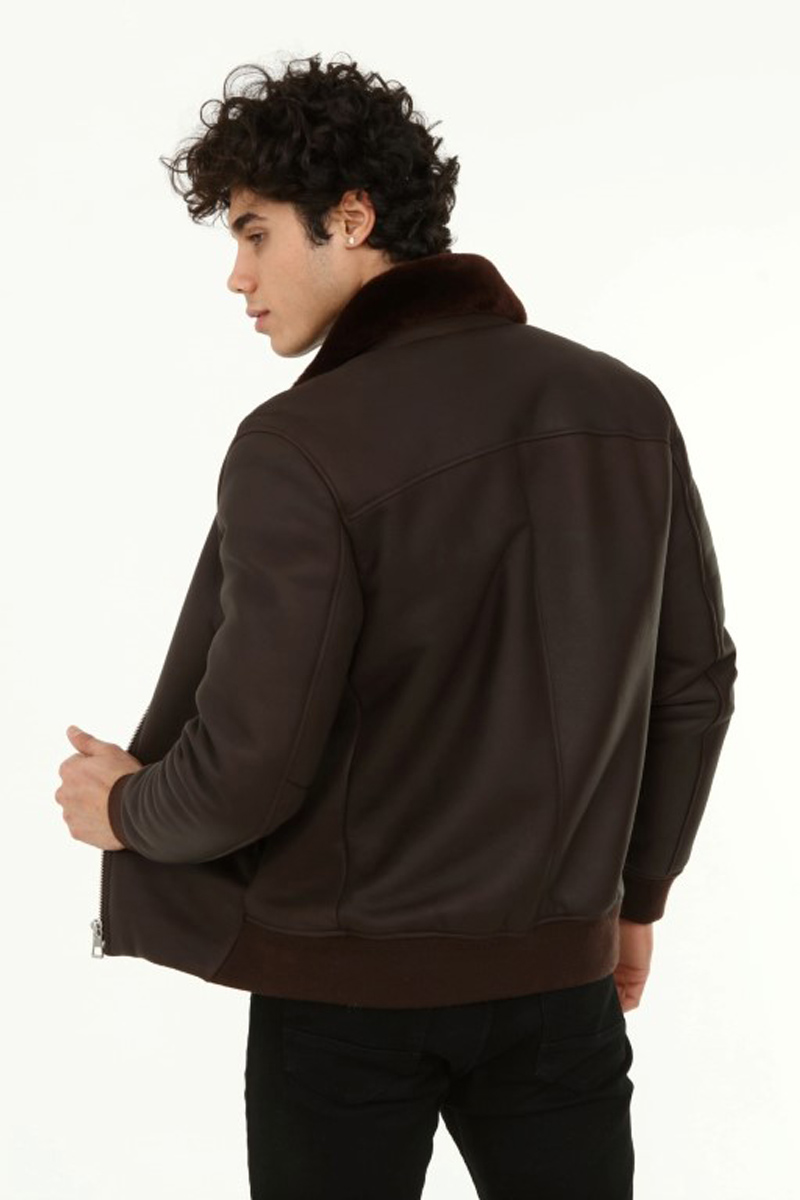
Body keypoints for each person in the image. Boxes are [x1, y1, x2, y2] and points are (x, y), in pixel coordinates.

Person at [57, 52, 738, 1200]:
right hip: (558, 983)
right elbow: (691, 686)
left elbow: (251, 764)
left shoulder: (299, 444)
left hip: (344, 1006)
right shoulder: (621, 407)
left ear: (351, 218)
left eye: (254, 232)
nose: (236, 276)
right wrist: (637, 899)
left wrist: (124, 808)